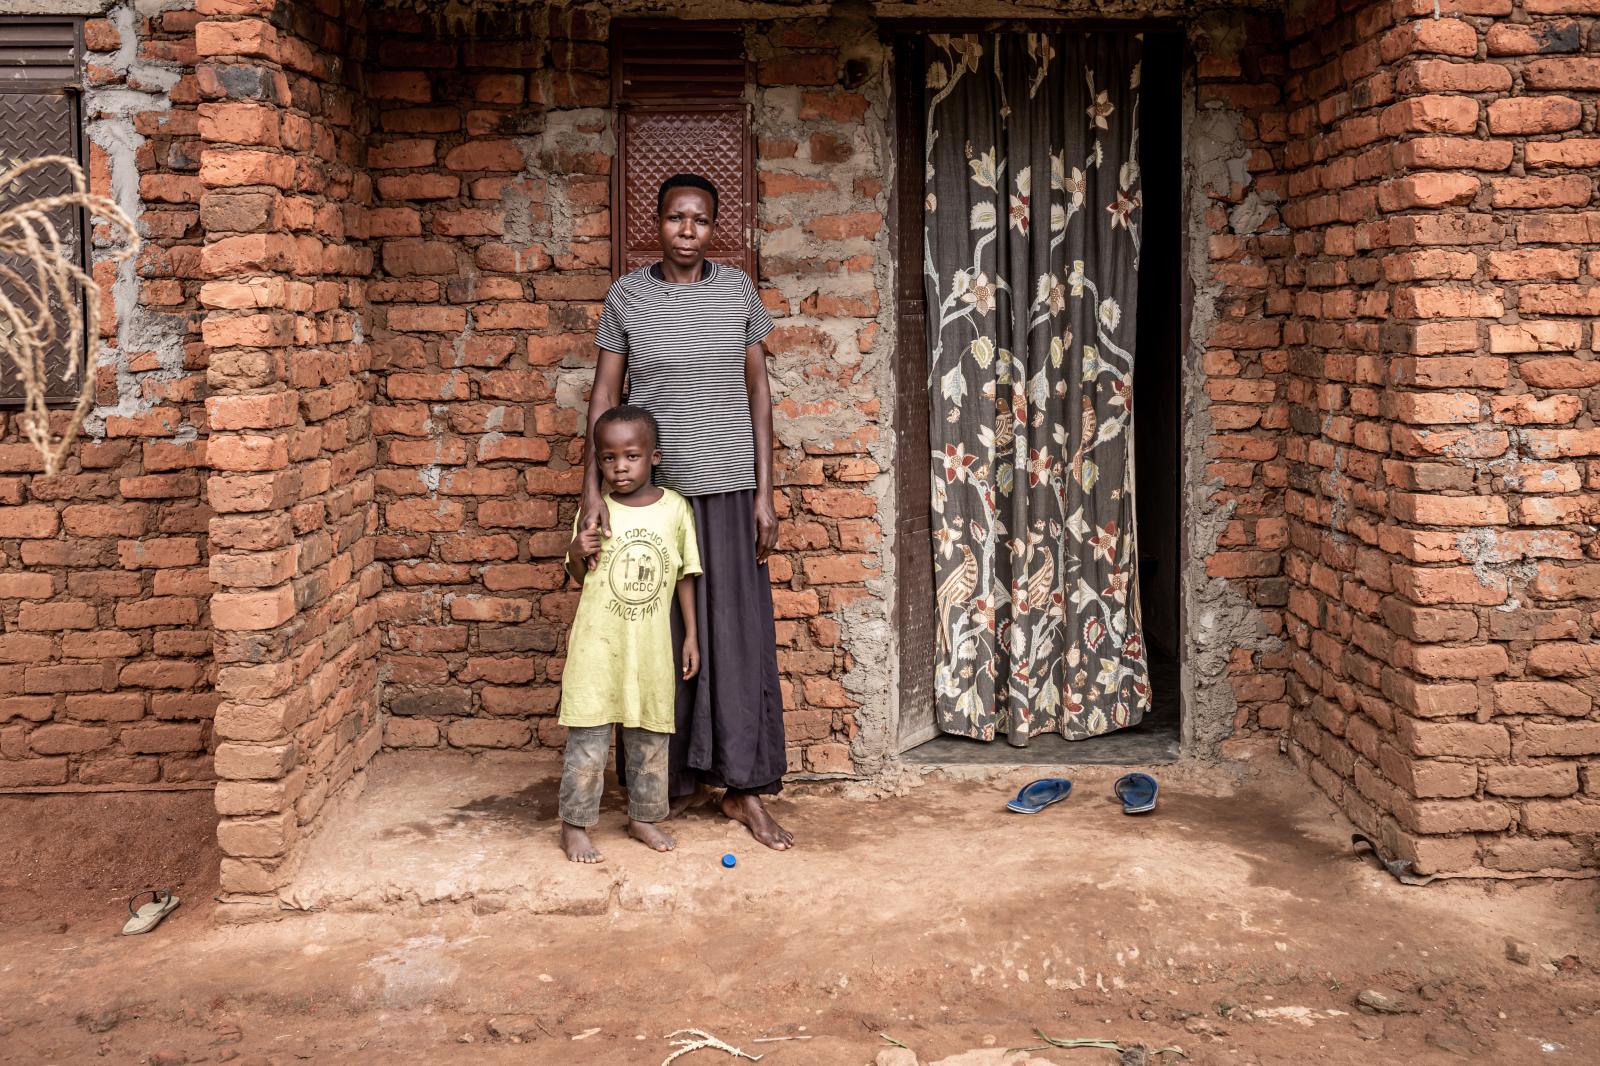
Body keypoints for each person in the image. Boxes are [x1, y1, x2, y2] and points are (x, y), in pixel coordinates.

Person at [581, 172, 795, 851]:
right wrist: (593, 493)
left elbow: (760, 394)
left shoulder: (736, 292)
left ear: (713, 228)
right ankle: (658, 787)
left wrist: (765, 490)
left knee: (733, 638)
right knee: (657, 639)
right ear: (659, 222)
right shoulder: (628, 297)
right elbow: (603, 394)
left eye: (700, 220)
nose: (687, 230)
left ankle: (742, 790)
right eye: (676, 218)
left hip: (730, 488)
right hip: (653, 500)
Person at [558, 405, 701, 863]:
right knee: (588, 744)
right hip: (597, 649)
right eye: (608, 458)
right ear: (597, 461)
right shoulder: (595, 510)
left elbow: (685, 575)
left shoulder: (675, 509)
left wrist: (691, 636)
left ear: (654, 456)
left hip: (651, 651)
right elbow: (579, 575)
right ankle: (575, 825)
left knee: (651, 742)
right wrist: (578, 548)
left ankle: (643, 816)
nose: (619, 467)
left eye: (631, 456)